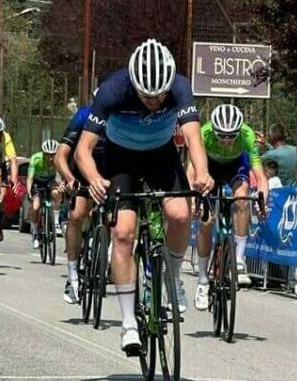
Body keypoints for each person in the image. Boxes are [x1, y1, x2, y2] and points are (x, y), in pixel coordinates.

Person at [75, 39, 214, 354]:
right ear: (133, 84)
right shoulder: (113, 90)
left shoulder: (179, 86)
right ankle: (128, 325)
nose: (154, 101)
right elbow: (83, 149)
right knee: (123, 234)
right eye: (147, 95)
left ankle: (172, 278)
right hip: (120, 159)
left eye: (160, 95)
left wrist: (202, 171)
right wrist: (95, 178)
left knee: (180, 214)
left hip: (160, 156)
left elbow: (192, 135)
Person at [190, 104, 268, 307]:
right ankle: (203, 281)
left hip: (236, 166)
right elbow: (191, 172)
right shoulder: (203, 133)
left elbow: (260, 177)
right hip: (210, 167)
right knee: (206, 222)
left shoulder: (247, 135)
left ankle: (239, 259)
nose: (226, 140)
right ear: (213, 130)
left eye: (231, 136)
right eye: (222, 136)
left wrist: (261, 201)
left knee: (242, 198)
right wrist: (192, 199)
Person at [57, 99, 104, 304]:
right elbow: (60, 155)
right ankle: (73, 274)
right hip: (82, 170)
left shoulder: (120, 116)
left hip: (108, 170)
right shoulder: (83, 116)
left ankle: (105, 253)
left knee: (116, 217)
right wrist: (70, 179)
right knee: (76, 215)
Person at [26, 139, 62, 250]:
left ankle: (55, 221)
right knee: (36, 207)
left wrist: (60, 186)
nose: (50, 158)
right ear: (43, 154)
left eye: (53, 155)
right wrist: (29, 192)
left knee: (56, 193)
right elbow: (30, 178)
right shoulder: (36, 159)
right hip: (37, 182)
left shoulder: (58, 159)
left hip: (50, 181)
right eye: (48, 155)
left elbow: (59, 177)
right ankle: (35, 232)